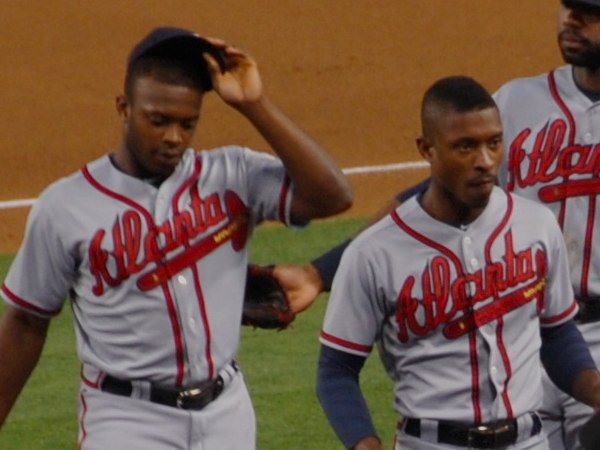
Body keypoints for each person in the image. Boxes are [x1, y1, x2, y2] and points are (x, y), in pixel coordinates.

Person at [0, 26, 352, 449]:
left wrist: (254, 105)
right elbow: (24, 324)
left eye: (188, 124)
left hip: (226, 412)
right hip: (128, 420)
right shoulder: (65, 206)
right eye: (158, 120)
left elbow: (332, 196)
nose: (173, 138)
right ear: (124, 107)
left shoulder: (232, 174)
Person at [279, 1, 600, 447]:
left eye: (589, 11)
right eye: (568, 7)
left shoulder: (533, 224)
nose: (571, 19)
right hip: (526, 325)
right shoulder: (516, 103)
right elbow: (437, 192)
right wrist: (322, 271)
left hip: (554, 329)